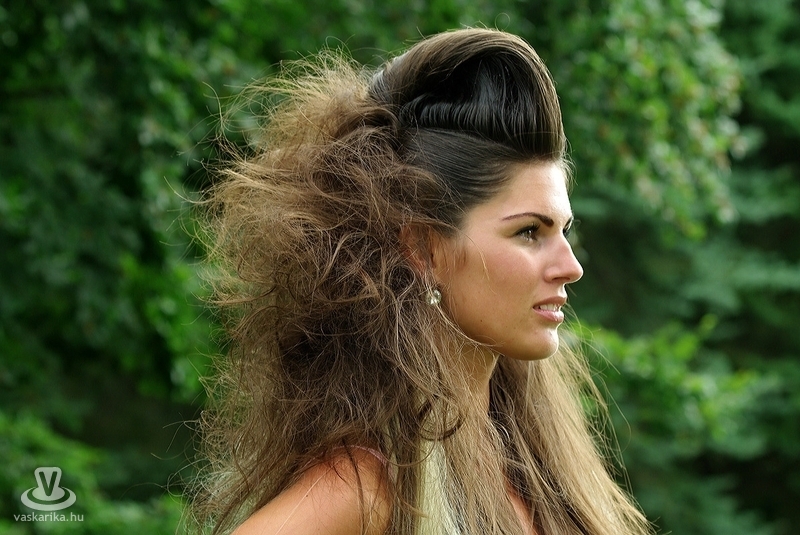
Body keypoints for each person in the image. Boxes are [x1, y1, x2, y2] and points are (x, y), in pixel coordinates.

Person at [191, 27, 652, 535]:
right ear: (423, 249)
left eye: (564, 230)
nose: (571, 265)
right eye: (529, 232)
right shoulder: (370, 485)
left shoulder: (534, 462)